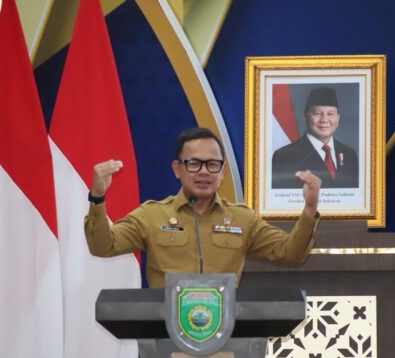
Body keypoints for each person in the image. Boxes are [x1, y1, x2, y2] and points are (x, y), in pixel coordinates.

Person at [85, 127, 322, 288]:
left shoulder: (242, 219)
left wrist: (310, 209)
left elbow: (291, 253)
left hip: (224, 334)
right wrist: (97, 197)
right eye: (194, 164)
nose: (204, 172)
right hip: (166, 332)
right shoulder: (152, 215)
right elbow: (103, 246)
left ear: (222, 171)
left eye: (212, 164)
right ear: (177, 169)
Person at [271, 86, 359, 189]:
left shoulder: (349, 154)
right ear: (305, 117)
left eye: (330, 114)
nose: (324, 120)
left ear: (338, 118)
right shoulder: (284, 157)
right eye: (317, 114)